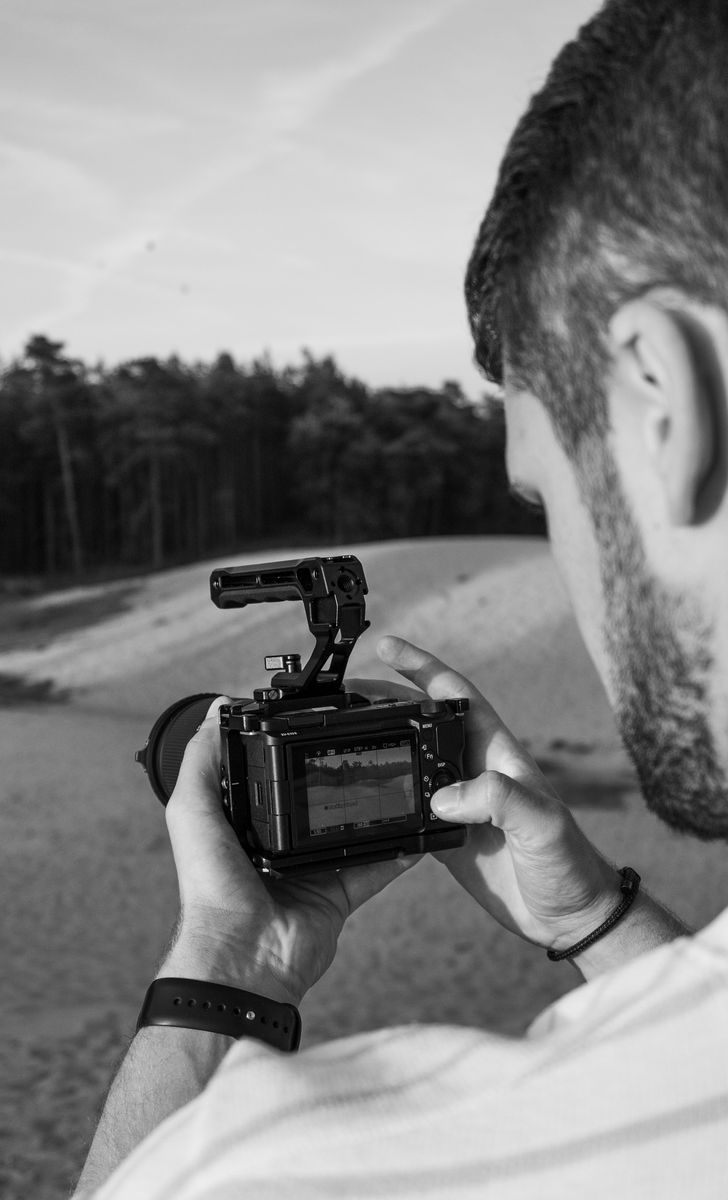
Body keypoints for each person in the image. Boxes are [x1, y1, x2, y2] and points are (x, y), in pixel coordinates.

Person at [73, 1, 728, 1195]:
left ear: (657, 397)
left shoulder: (301, 1166)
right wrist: (585, 918)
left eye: (545, 495)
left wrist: (232, 960)